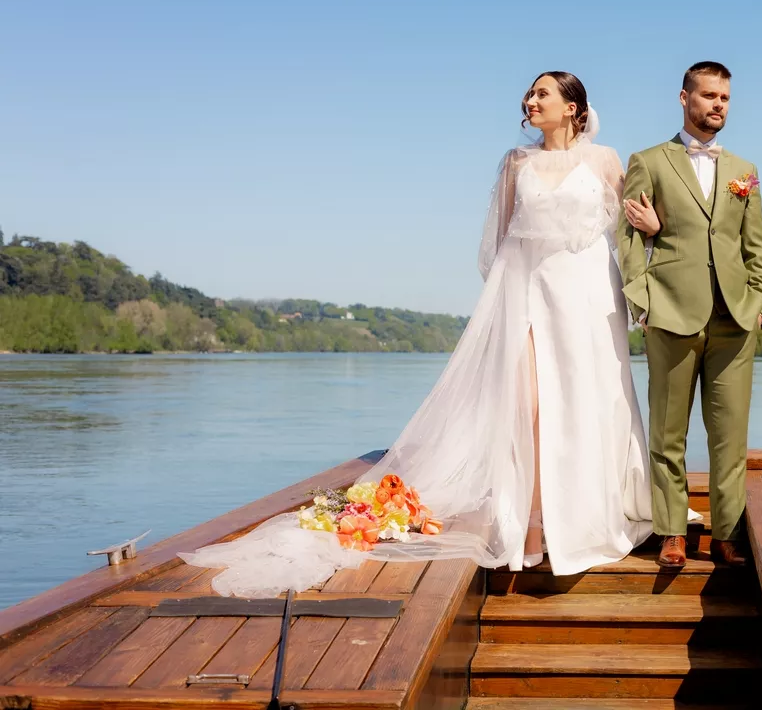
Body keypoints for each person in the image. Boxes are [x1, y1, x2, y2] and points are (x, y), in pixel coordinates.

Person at [183, 71, 660, 597]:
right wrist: (504, 305)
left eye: (542, 93)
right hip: (528, 292)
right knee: (528, 408)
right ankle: (530, 522)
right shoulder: (514, 163)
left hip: (589, 296)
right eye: (529, 93)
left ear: (573, 107)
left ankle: (589, 513)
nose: (530, 100)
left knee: (587, 403)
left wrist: (648, 258)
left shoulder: (607, 160)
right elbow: (499, 243)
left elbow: (630, 235)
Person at [617, 61, 762, 568]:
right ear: (683, 98)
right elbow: (626, 239)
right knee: (668, 434)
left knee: (730, 436)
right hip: (670, 313)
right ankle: (671, 532)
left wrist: (760, 301)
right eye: (708, 95)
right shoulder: (649, 160)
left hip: (735, 319)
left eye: (724, 98)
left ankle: (728, 533)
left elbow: (757, 249)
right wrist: (642, 299)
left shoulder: (744, 172)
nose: (717, 105)